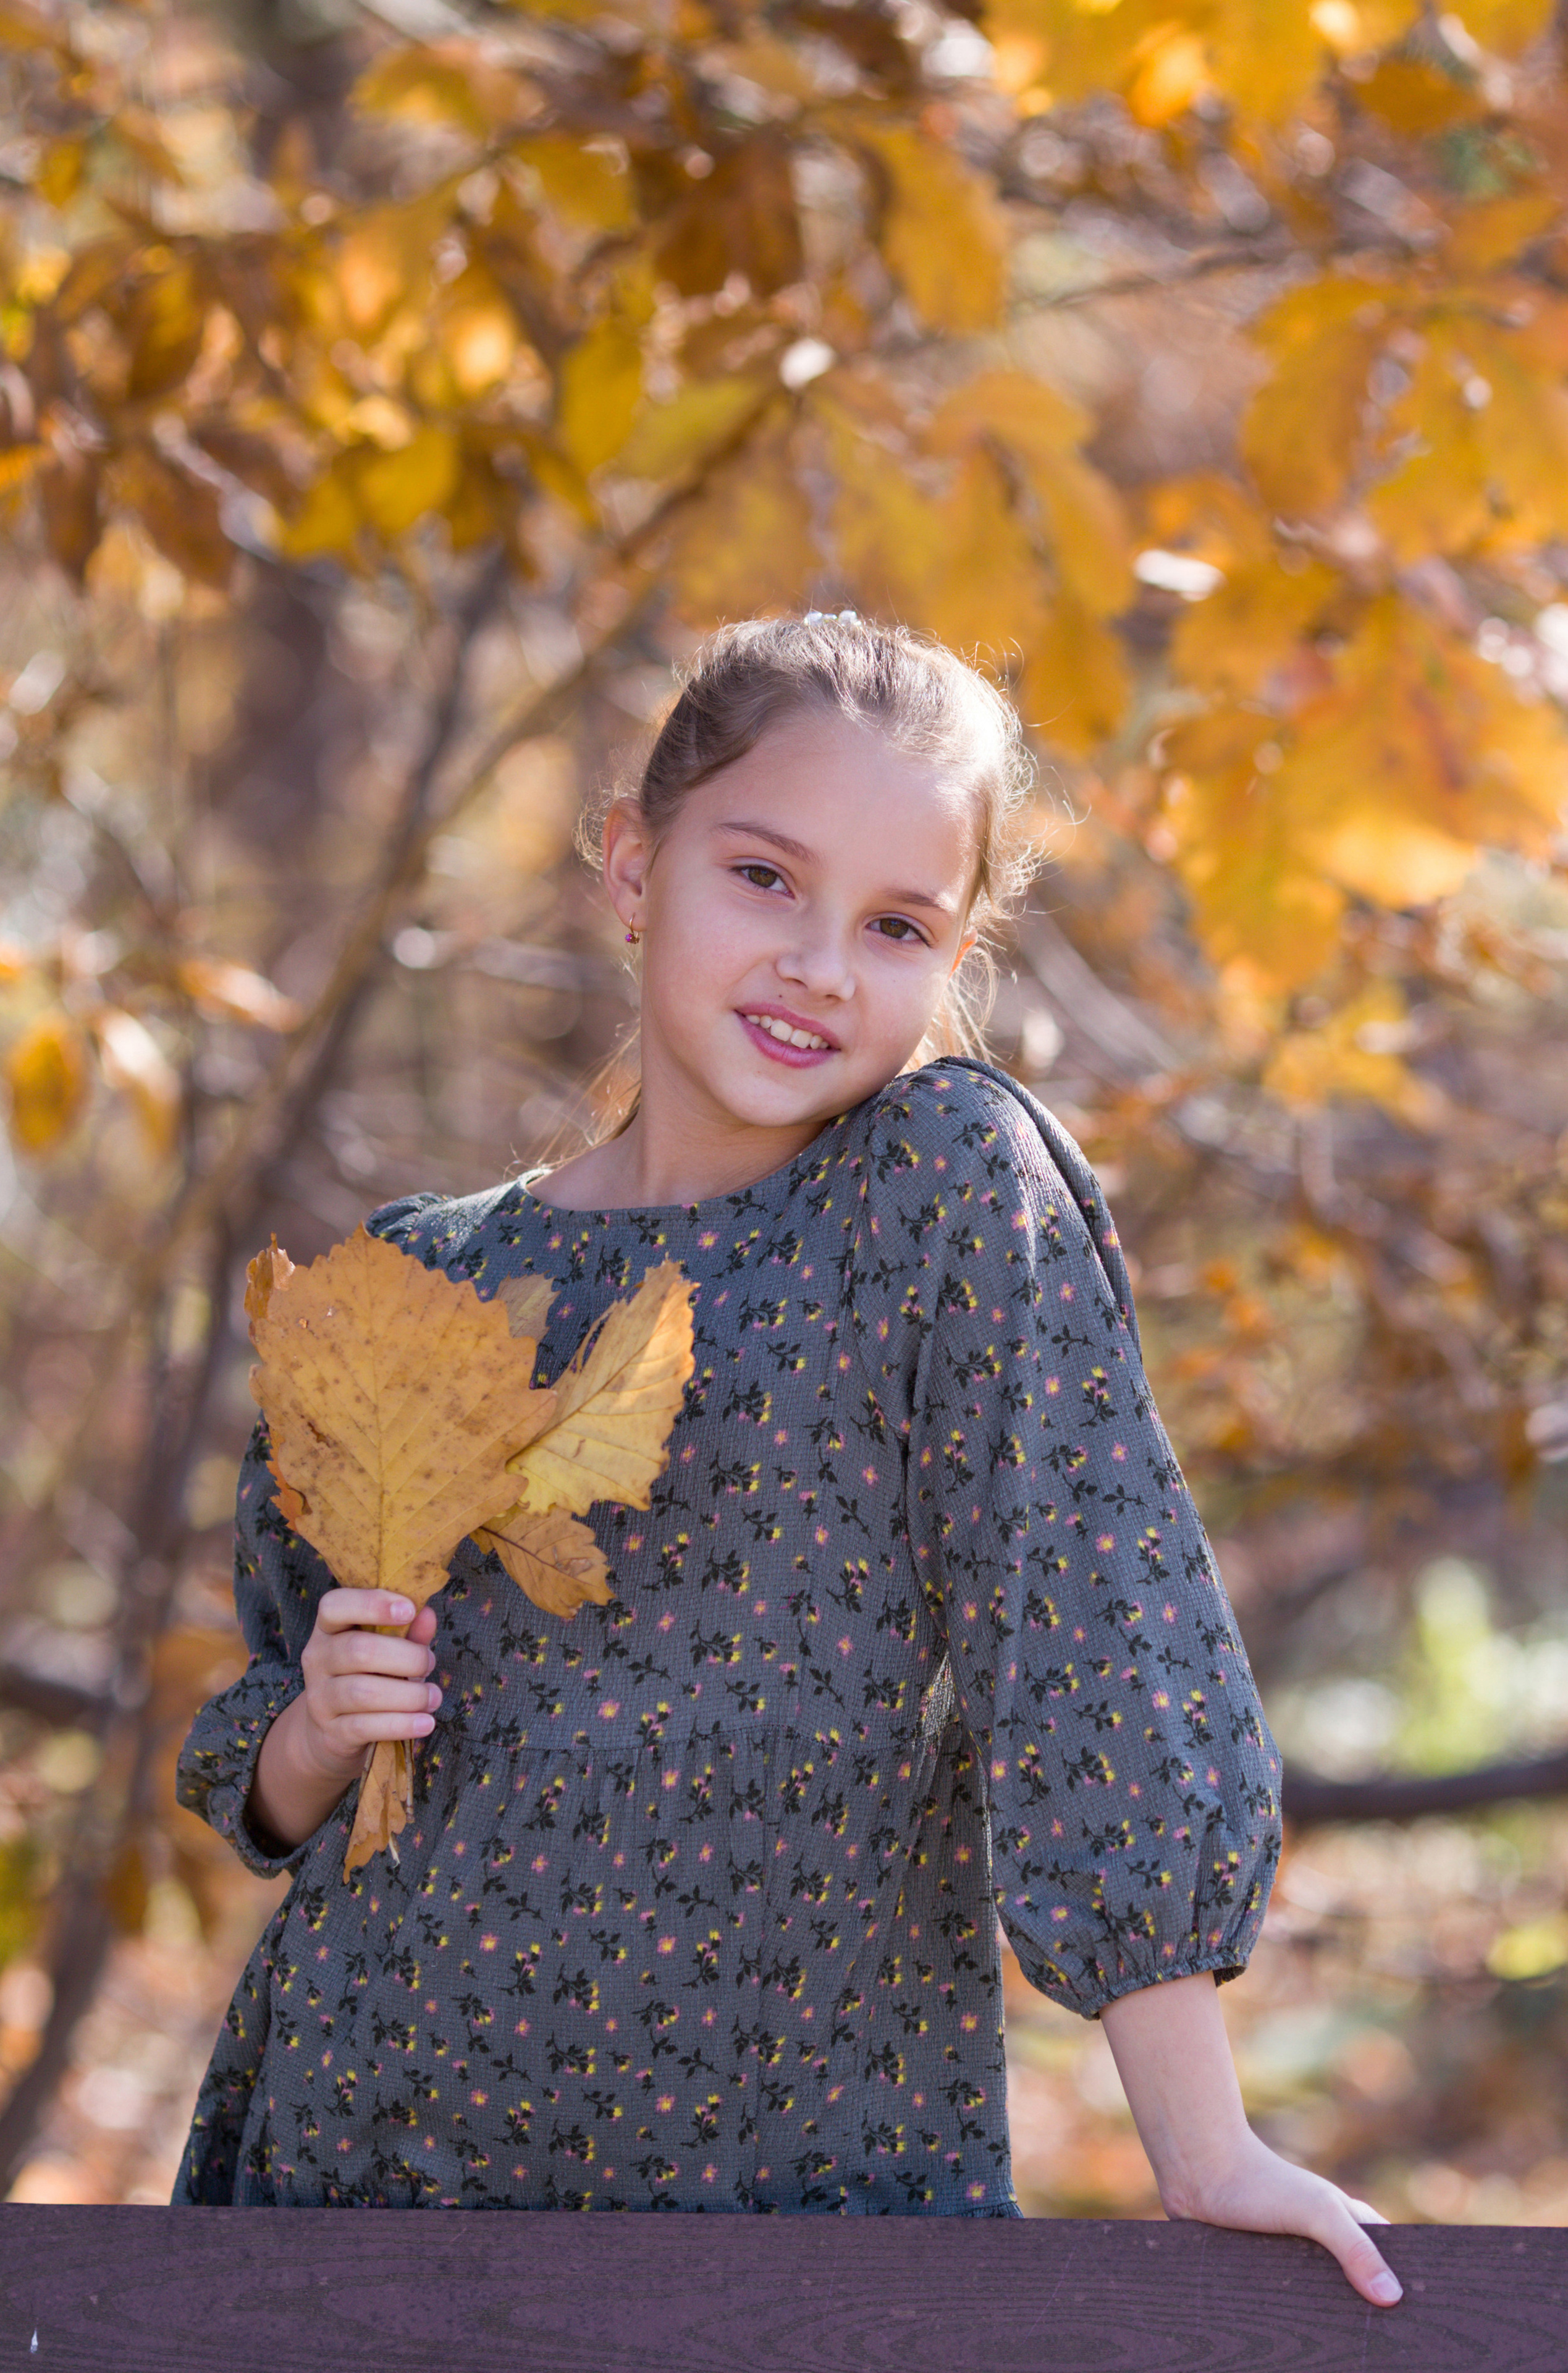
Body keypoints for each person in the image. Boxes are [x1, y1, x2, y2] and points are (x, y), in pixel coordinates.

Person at [172, 613, 1400, 2306]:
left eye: (896, 924)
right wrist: (313, 1731)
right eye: (765, 878)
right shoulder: (424, 1276)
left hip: (799, 2210)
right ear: (632, 866)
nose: (824, 963)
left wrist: (1203, 2146)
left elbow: (1094, 1643)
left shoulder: (938, 1201)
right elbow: (268, 1757)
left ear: (957, 954)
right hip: (366, 2175)